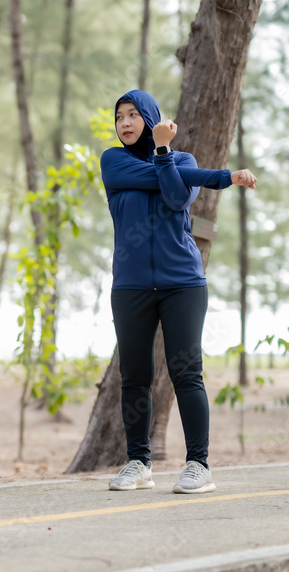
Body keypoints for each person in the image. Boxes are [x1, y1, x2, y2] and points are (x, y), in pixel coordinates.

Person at [100, 89, 257, 494]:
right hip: (131, 284)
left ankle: (198, 464)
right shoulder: (113, 161)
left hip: (183, 283)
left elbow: (174, 196)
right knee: (134, 376)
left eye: (134, 115)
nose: (126, 123)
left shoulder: (181, 161)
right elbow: (172, 182)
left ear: (152, 119)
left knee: (187, 372)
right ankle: (139, 462)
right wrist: (221, 177)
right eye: (119, 117)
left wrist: (167, 154)